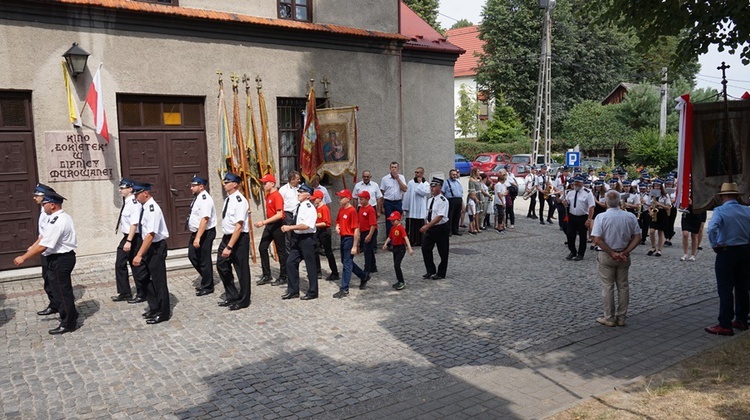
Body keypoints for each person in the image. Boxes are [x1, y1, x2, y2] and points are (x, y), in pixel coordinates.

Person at [14, 191, 79, 335]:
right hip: (58, 258)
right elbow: (43, 237)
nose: (43, 206)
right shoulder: (56, 217)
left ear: (52, 205)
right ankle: (71, 314)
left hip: (60, 259)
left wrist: (24, 257)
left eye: (45, 203)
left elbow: (44, 245)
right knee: (59, 290)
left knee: (62, 292)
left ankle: (68, 322)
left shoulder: (59, 221)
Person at [704, 182, 750, 336]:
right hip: (745, 250)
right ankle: (742, 319)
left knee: (725, 288)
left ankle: (725, 323)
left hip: (727, 250)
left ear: (723, 197)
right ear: (737, 196)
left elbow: (712, 228)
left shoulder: (720, 210)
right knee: (742, 287)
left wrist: (714, 243)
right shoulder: (747, 210)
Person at [591, 190, 641, 327]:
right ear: (619, 202)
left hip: (606, 255)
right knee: (623, 286)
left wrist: (612, 253)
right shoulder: (630, 216)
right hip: (624, 255)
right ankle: (622, 317)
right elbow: (637, 236)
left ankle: (609, 317)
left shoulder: (601, 217)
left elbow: (597, 239)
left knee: (607, 287)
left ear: (606, 202)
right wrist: (625, 252)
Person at [132, 182, 171, 324]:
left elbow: (150, 234)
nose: (135, 197)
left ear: (145, 193)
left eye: (137, 194)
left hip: (155, 248)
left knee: (159, 281)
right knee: (142, 276)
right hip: (148, 247)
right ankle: (154, 306)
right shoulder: (145, 207)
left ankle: (163, 312)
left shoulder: (153, 209)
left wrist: (139, 254)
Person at [216, 172, 251, 311]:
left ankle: (244, 299)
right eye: (224, 182)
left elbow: (239, 226)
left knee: (241, 269)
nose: (224, 184)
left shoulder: (239, 201)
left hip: (239, 238)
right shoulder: (228, 199)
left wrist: (229, 246)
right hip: (227, 236)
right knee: (221, 264)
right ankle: (232, 295)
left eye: (227, 182)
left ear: (235, 184)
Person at [281, 184, 319, 300]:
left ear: (308, 195)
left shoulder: (309, 208)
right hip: (297, 238)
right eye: (298, 192)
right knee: (290, 262)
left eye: (301, 192)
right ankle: (293, 290)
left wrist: (289, 228)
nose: (298, 194)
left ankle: (313, 291)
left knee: (310, 266)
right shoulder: (299, 206)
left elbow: (306, 226)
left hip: (307, 239)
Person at [27, 183, 59, 316]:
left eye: (37, 195)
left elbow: (45, 235)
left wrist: (34, 247)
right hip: (45, 250)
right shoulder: (43, 211)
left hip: (49, 250)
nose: (35, 198)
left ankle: (57, 304)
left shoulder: (49, 213)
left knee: (52, 281)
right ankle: (54, 304)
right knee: (47, 279)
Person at [112, 178, 145, 302]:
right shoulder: (127, 202)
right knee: (120, 264)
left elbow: (134, 224)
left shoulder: (134, 203)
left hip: (134, 238)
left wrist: (129, 241)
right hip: (126, 236)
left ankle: (142, 293)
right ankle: (124, 292)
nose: (120, 190)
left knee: (136, 265)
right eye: (120, 188)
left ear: (130, 189)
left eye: (122, 188)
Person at [333, 189, 370, 298]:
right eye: (339, 197)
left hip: (349, 238)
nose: (339, 199)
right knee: (346, 262)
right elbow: (338, 221)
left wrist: (355, 245)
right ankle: (363, 276)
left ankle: (344, 289)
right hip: (343, 237)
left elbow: (356, 230)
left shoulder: (352, 211)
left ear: (348, 198)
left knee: (347, 263)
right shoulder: (341, 210)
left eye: (341, 197)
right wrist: (337, 227)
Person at [254, 173, 288, 286]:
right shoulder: (268, 195)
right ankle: (266, 275)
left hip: (277, 225)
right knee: (262, 247)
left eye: (265, 183)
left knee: (281, 251)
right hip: (270, 225)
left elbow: (279, 214)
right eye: (263, 183)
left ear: (272, 183)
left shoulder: (277, 196)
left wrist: (263, 222)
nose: (263, 185)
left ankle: (284, 276)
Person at [186, 175, 217, 297]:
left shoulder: (205, 199)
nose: (191, 188)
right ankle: (207, 277)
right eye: (191, 185)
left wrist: (198, 237)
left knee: (204, 259)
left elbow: (204, 219)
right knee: (193, 256)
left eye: (194, 186)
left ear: (201, 186)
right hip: (197, 232)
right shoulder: (198, 197)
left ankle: (208, 285)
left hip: (205, 233)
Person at [421, 177, 450, 279]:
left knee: (443, 251)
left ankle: (441, 273)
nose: (432, 188)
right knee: (425, 248)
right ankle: (430, 270)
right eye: (431, 186)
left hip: (440, 227)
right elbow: (427, 214)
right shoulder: (430, 200)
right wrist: (426, 225)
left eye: (434, 186)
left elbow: (439, 216)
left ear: (440, 187)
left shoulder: (443, 200)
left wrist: (426, 226)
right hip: (430, 228)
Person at [563, 176, 596, 261]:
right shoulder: (570, 193)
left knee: (582, 236)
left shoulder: (588, 193)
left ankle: (581, 253)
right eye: (575, 182)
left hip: (583, 217)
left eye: (578, 182)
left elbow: (591, 207)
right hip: (572, 216)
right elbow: (567, 204)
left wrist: (589, 219)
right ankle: (572, 251)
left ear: (583, 183)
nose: (576, 184)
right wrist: (565, 203)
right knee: (570, 235)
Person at [312, 189, 339, 280]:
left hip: (325, 232)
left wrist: (314, 225)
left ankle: (335, 272)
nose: (313, 200)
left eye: (315, 198)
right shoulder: (316, 208)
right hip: (318, 231)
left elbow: (326, 223)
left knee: (328, 252)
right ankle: (317, 271)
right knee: (315, 250)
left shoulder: (324, 208)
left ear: (319, 198)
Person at [383, 211, 413, 290]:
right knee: (395, 265)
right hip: (395, 248)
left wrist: (409, 248)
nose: (392, 222)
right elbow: (390, 237)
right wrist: (385, 244)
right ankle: (399, 280)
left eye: (393, 220)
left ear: (398, 220)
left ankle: (402, 281)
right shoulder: (392, 228)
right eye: (391, 220)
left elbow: (406, 238)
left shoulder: (401, 228)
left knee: (397, 265)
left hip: (401, 248)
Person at [279, 171, 301, 275]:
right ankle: (289, 259)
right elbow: (280, 203)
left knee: (296, 236)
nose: (299, 180)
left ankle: (296, 256)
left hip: (298, 214)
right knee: (288, 238)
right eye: (297, 179)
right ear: (292, 179)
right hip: (288, 215)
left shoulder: (300, 188)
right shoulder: (283, 190)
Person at [403, 167, 430, 246]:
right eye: (415, 172)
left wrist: (420, 184)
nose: (416, 174)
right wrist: (405, 207)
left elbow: (423, 193)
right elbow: (407, 195)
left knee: (420, 224)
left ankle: (420, 241)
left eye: (418, 172)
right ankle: (412, 240)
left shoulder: (426, 184)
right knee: (412, 225)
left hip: (420, 208)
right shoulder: (411, 182)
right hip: (412, 207)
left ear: (422, 174)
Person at [380, 161, 407, 237]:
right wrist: (382, 206)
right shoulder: (385, 179)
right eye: (392, 167)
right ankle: (390, 242)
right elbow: (381, 193)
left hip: (398, 202)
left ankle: (398, 239)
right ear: (390, 168)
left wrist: (398, 179)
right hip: (388, 203)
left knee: (398, 221)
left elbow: (405, 189)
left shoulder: (401, 177)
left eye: (395, 167)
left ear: (398, 169)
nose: (393, 169)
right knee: (389, 222)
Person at [647, 179, 672, 257]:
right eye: (655, 186)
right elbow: (648, 205)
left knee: (660, 232)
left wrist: (659, 204)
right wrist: (650, 211)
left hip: (662, 213)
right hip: (654, 212)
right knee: (651, 231)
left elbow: (668, 207)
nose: (656, 187)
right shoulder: (651, 195)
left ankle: (659, 250)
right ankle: (653, 247)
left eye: (658, 186)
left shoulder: (665, 195)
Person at [357, 190, 377, 276]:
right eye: (360, 199)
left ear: (367, 199)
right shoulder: (361, 208)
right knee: (369, 249)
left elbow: (373, 224)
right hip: (363, 231)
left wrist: (370, 235)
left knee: (367, 250)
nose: (360, 201)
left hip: (370, 231)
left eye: (362, 199)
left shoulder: (370, 209)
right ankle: (373, 266)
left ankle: (367, 268)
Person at [442, 169, 464, 236]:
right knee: (450, 216)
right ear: (450, 175)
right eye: (453, 174)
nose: (455, 176)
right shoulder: (446, 182)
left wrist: (462, 201)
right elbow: (442, 192)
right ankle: (449, 231)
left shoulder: (458, 181)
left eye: (455, 174)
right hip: (451, 199)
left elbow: (461, 191)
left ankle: (455, 230)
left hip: (459, 199)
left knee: (457, 215)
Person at [503, 164, 518, 229]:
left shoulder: (510, 175)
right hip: (505, 193)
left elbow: (514, 184)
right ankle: (505, 223)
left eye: (509, 168)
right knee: (506, 210)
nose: (509, 169)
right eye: (507, 168)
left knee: (510, 208)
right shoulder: (505, 176)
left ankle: (512, 223)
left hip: (510, 193)